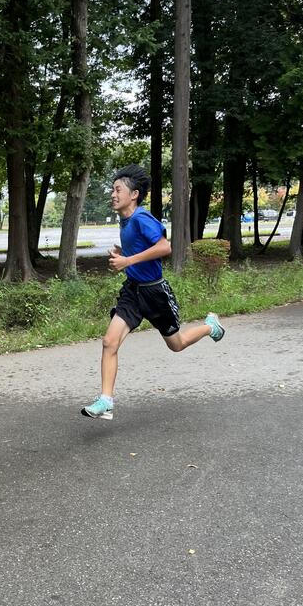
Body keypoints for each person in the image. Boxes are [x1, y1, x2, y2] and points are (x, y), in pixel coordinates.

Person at [81, 164, 224, 421]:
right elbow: (141, 251)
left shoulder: (141, 218)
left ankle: (210, 326)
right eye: (113, 190)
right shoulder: (125, 220)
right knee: (109, 342)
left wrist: (127, 260)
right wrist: (123, 255)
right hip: (133, 292)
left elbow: (164, 247)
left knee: (177, 344)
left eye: (118, 190)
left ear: (133, 194)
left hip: (155, 293)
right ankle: (106, 401)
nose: (113, 194)